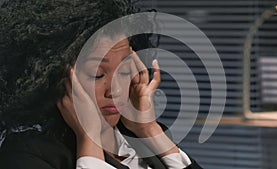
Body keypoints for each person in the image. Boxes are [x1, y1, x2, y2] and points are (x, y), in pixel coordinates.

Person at [0, 0, 202, 168]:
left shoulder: (144, 138)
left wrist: (149, 129)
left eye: (124, 71)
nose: (115, 91)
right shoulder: (28, 154)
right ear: (51, 75)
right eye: (97, 74)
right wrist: (89, 140)